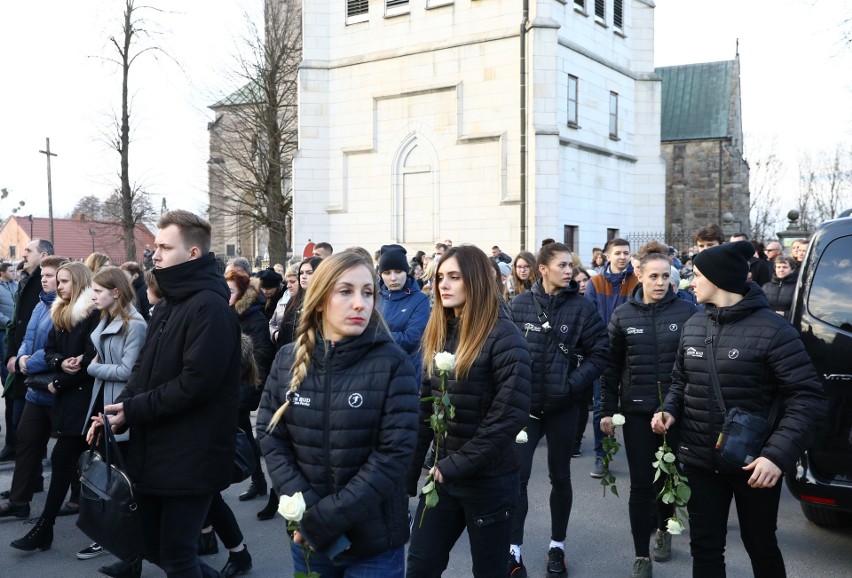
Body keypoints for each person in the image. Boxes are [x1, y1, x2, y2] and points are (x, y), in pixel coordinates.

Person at [652, 241, 826, 578]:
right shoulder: (693, 325)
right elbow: (679, 380)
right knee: (704, 548)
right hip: (701, 461)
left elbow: (808, 398)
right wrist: (669, 410)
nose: (690, 282)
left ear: (718, 280)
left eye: (698, 275)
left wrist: (777, 455)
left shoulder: (775, 331)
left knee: (760, 544)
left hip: (755, 464)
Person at [87, 210, 242, 578]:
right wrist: (120, 408)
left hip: (191, 453)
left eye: (164, 247)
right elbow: (144, 368)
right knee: (153, 546)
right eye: (155, 246)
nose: (154, 254)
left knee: (176, 555)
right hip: (157, 449)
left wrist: (135, 410)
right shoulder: (170, 303)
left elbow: (194, 384)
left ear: (191, 254)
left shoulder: (209, 307)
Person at [257, 251, 419, 577]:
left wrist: (324, 518)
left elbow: (393, 455)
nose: (360, 303)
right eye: (346, 291)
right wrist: (307, 507)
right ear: (319, 300)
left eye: (367, 293)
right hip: (309, 539)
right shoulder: (288, 358)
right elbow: (270, 433)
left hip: (373, 544)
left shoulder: (391, 362)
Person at [406, 245, 532, 578]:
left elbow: (509, 415)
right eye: (439, 278)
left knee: (489, 571)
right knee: (420, 565)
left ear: (474, 281)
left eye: (454, 277)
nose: (442, 285)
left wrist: (457, 464)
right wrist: (406, 473)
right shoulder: (438, 333)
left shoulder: (505, 338)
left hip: (489, 481)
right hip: (442, 479)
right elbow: (424, 408)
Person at [508, 242, 609, 577]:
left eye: (571, 266)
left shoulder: (582, 308)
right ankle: (514, 550)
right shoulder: (519, 305)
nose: (570, 271)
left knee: (560, 477)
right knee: (517, 479)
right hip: (525, 409)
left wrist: (571, 384)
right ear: (543, 269)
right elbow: (502, 351)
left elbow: (601, 353)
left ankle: (557, 547)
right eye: (563, 265)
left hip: (564, 407)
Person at [600, 242, 698, 578]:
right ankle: (641, 554)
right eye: (652, 276)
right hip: (638, 412)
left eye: (665, 276)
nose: (659, 282)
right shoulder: (623, 315)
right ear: (639, 276)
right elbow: (610, 368)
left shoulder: (687, 312)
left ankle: (664, 530)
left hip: (677, 412)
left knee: (669, 476)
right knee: (641, 483)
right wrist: (606, 411)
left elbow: (693, 366)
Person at [10, 261, 100, 552]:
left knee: (77, 464)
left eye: (64, 281)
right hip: (66, 398)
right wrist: (59, 364)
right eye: (56, 280)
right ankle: (47, 528)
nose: (58, 286)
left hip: (86, 401)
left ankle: (50, 529)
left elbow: (91, 361)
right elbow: (50, 350)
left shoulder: (92, 315)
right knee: (68, 463)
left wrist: (59, 381)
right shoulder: (59, 311)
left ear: (79, 282)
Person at [76, 266, 148, 576]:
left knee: (122, 484)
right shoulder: (107, 318)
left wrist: (93, 368)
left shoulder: (135, 324)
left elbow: (127, 371)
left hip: (121, 410)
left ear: (115, 292)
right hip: (104, 405)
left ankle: (129, 553)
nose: (92, 295)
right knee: (106, 476)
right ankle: (122, 548)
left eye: (98, 290)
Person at [0, 256, 67, 519]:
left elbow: (58, 348)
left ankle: (76, 500)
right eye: (44, 276)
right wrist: (21, 357)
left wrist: (30, 362)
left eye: (52, 276)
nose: (46, 280)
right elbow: (29, 336)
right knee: (26, 442)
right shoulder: (41, 303)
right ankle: (19, 501)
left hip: (56, 388)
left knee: (67, 449)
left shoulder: (68, 308)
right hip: (35, 389)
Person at [585, 238, 638, 478]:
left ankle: (642, 457)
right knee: (601, 407)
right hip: (604, 352)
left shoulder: (637, 281)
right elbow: (590, 318)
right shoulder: (595, 283)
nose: (622, 257)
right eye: (617, 253)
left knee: (634, 405)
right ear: (607, 256)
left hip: (632, 352)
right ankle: (601, 457)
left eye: (626, 253)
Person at [224, 268, 275, 503]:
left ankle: (258, 479)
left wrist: (241, 367)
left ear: (243, 293)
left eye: (232, 291)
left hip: (247, 382)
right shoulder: (230, 312)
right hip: (232, 382)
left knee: (241, 429)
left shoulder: (254, 317)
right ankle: (258, 480)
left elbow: (262, 353)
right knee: (241, 429)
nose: (227, 294)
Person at [2, 239, 54, 464]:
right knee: (16, 415)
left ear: (43, 256)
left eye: (28, 251)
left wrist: (25, 359)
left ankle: (31, 480)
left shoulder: (45, 287)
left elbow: (41, 332)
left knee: (30, 429)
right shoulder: (26, 281)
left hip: (34, 364)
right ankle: (22, 470)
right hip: (20, 358)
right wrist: (12, 354)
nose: (22, 254)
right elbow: (18, 322)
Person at [378, 244, 430, 382]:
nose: (393, 278)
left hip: (406, 374)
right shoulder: (373, 297)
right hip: (376, 372)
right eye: (387, 273)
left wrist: (374, 336)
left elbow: (411, 339)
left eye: (398, 271)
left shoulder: (420, 299)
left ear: (406, 272)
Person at [761, 256, 797, 320]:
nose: (781, 270)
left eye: (785, 267)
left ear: (792, 269)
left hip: (788, 324)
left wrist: (785, 314)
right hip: (767, 322)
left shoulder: (797, 287)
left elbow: (800, 311)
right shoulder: (766, 286)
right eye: (778, 267)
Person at [269, 264, 299, 339]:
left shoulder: (308, 301)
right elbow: (272, 323)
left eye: (292, 282)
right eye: (287, 282)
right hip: (282, 347)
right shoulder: (282, 300)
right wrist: (275, 333)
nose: (288, 285)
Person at [0, 263, 19, 382]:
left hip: (15, 329)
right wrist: (8, 322)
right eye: (11, 271)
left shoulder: (17, 285)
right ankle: (7, 386)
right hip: (3, 330)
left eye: (14, 271)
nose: (14, 273)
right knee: (5, 359)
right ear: (2, 273)